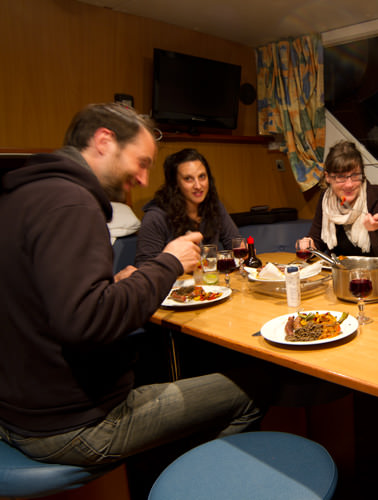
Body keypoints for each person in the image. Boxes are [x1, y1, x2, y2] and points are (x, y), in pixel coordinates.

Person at [0, 104, 264, 494]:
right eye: (140, 163)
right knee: (252, 389)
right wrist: (169, 262)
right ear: (104, 141)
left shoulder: (22, 197)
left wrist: (115, 282)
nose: (142, 179)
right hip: (75, 425)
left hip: (18, 412)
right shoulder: (72, 203)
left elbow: (53, 301)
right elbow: (87, 321)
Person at [303, 140, 378, 257]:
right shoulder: (327, 199)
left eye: (355, 175)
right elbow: (317, 241)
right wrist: (308, 245)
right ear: (328, 177)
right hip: (340, 272)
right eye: (340, 177)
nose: (349, 184)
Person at [135, 148, 240, 266]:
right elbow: (144, 267)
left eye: (202, 177)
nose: (198, 185)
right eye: (188, 179)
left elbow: (235, 244)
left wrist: (243, 252)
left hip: (211, 280)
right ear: (175, 184)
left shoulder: (214, 205)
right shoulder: (155, 217)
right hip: (174, 282)